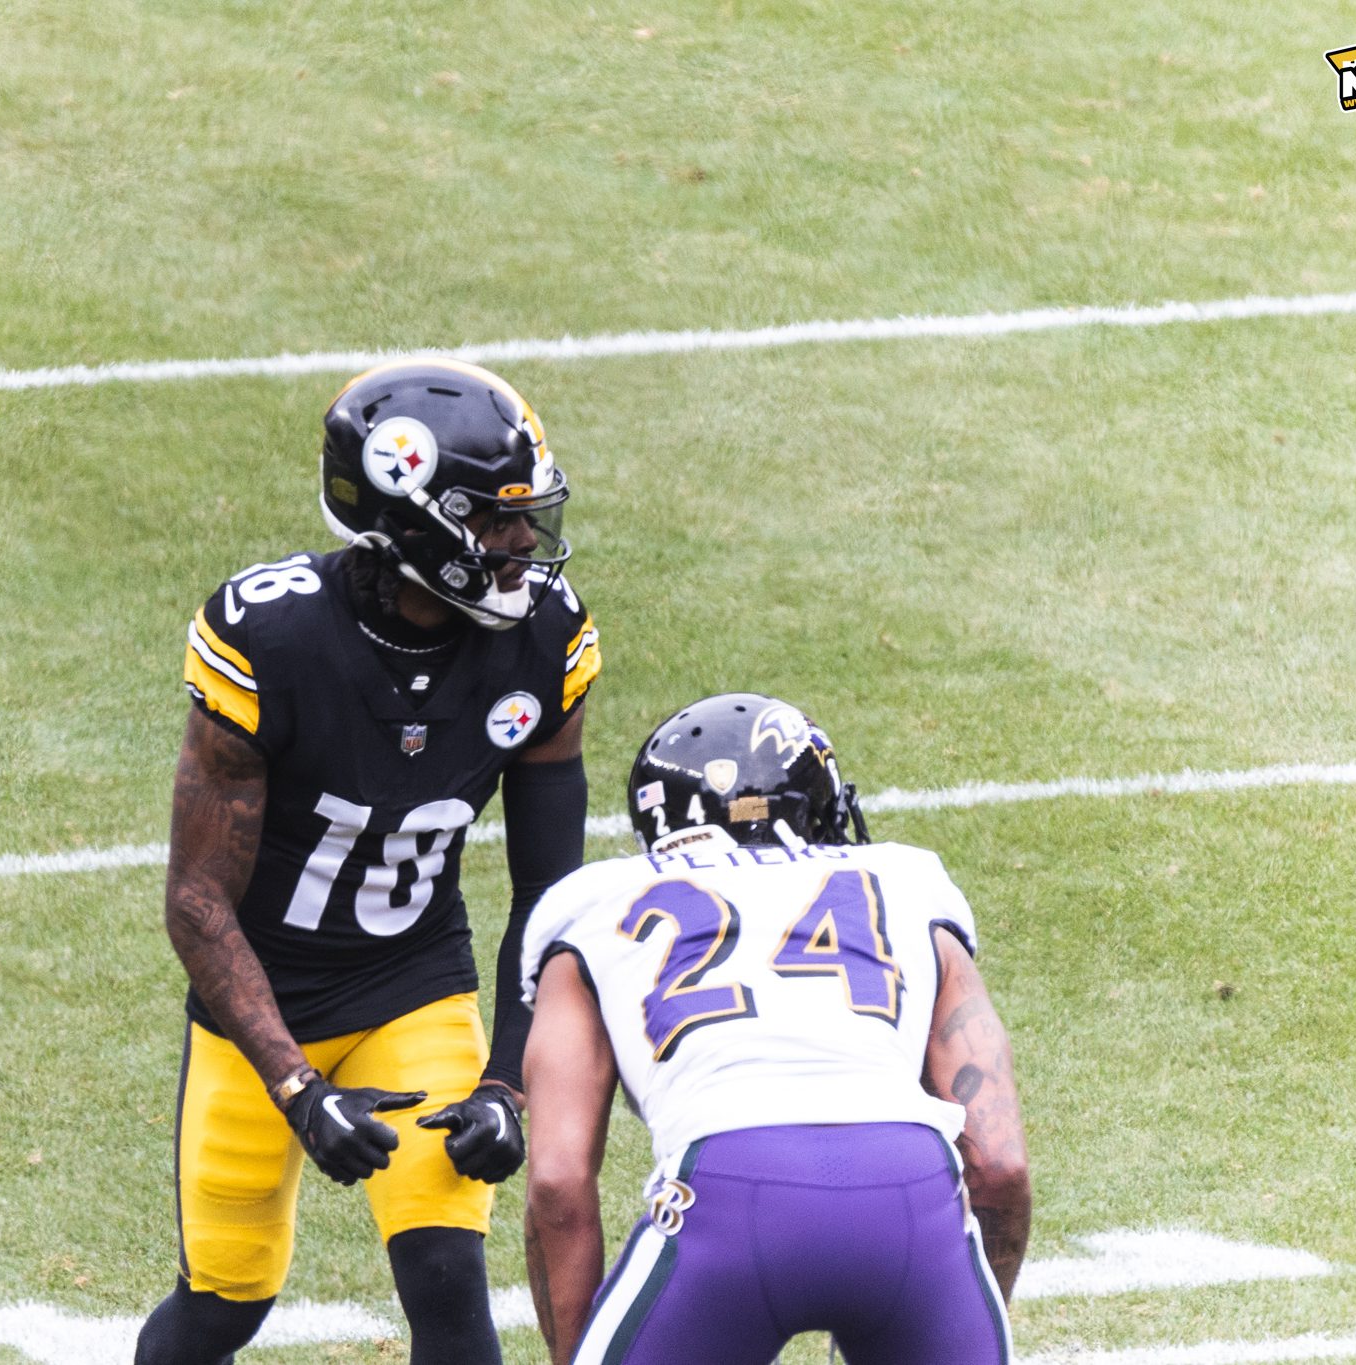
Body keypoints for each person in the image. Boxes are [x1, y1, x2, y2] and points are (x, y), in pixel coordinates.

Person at [134, 359, 603, 1365]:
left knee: (446, 1285)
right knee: (223, 1303)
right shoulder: (273, 636)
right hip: (262, 1000)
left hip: (411, 984)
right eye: (490, 520)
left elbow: (549, 898)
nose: (522, 542)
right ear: (410, 522)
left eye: (526, 516)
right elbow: (196, 902)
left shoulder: (544, 643)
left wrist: (507, 1085)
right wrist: (297, 1088)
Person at [520, 693, 1030, 1365]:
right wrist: (958, 1296)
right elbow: (999, 1163)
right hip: (907, 1196)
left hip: (727, 1195)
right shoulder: (904, 881)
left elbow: (556, 1178)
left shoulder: (592, 905)